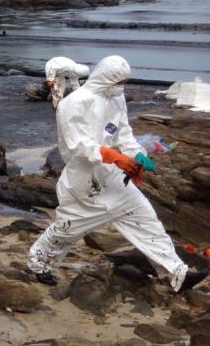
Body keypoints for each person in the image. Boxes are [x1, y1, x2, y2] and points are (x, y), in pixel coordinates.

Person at [27, 56, 207, 292]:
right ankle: (39, 264)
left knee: (146, 218)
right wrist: (115, 157)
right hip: (83, 183)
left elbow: (123, 132)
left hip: (112, 179)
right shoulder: (73, 104)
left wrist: (137, 155)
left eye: (124, 81)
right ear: (104, 77)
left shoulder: (116, 97)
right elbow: (77, 146)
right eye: (118, 81)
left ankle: (176, 273)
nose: (121, 86)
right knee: (67, 229)